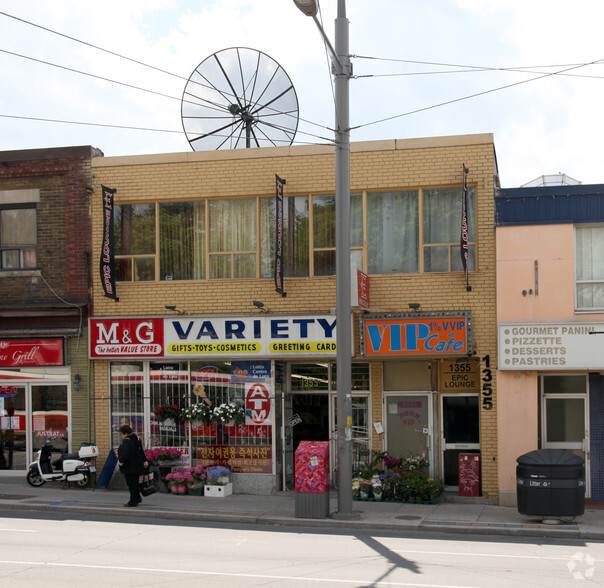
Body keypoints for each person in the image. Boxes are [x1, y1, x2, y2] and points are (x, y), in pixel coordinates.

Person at [117, 424, 147, 507]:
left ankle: (133, 501)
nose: (121, 435)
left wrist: (120, 462)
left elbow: (125, 454)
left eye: (121, 434)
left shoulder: (126, 441)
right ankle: (137, 497)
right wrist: (145, 461)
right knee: (136, 483)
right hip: (138, 465)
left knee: (131, 484)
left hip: (129, 466)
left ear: (126, 434)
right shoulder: (137, 439)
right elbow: (141, 451)